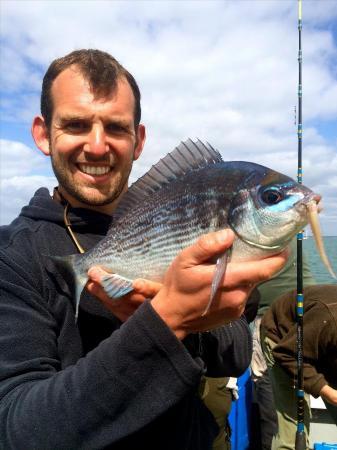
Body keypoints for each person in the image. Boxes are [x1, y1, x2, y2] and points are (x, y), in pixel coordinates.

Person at [0, 49, 287, 450]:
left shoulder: (177, 221)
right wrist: (166, 320)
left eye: (116, 128)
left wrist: (191, 321)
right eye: (76, 125)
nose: (97, 147)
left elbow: (236, 353)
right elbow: (17, 429)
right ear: (43, 133)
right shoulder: (12, 257)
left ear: (139, 141)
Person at [249, 239, 315, 450]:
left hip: (274, 319)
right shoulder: (291, 230)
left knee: (266, 383)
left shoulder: (258, 231)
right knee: (299, 388)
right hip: (309, 315)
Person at [260, 284, 337, 450]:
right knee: (292, 434)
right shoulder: (329, 316)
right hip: (284, 340)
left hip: (323, 345)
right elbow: (286, 354)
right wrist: (329, 392)